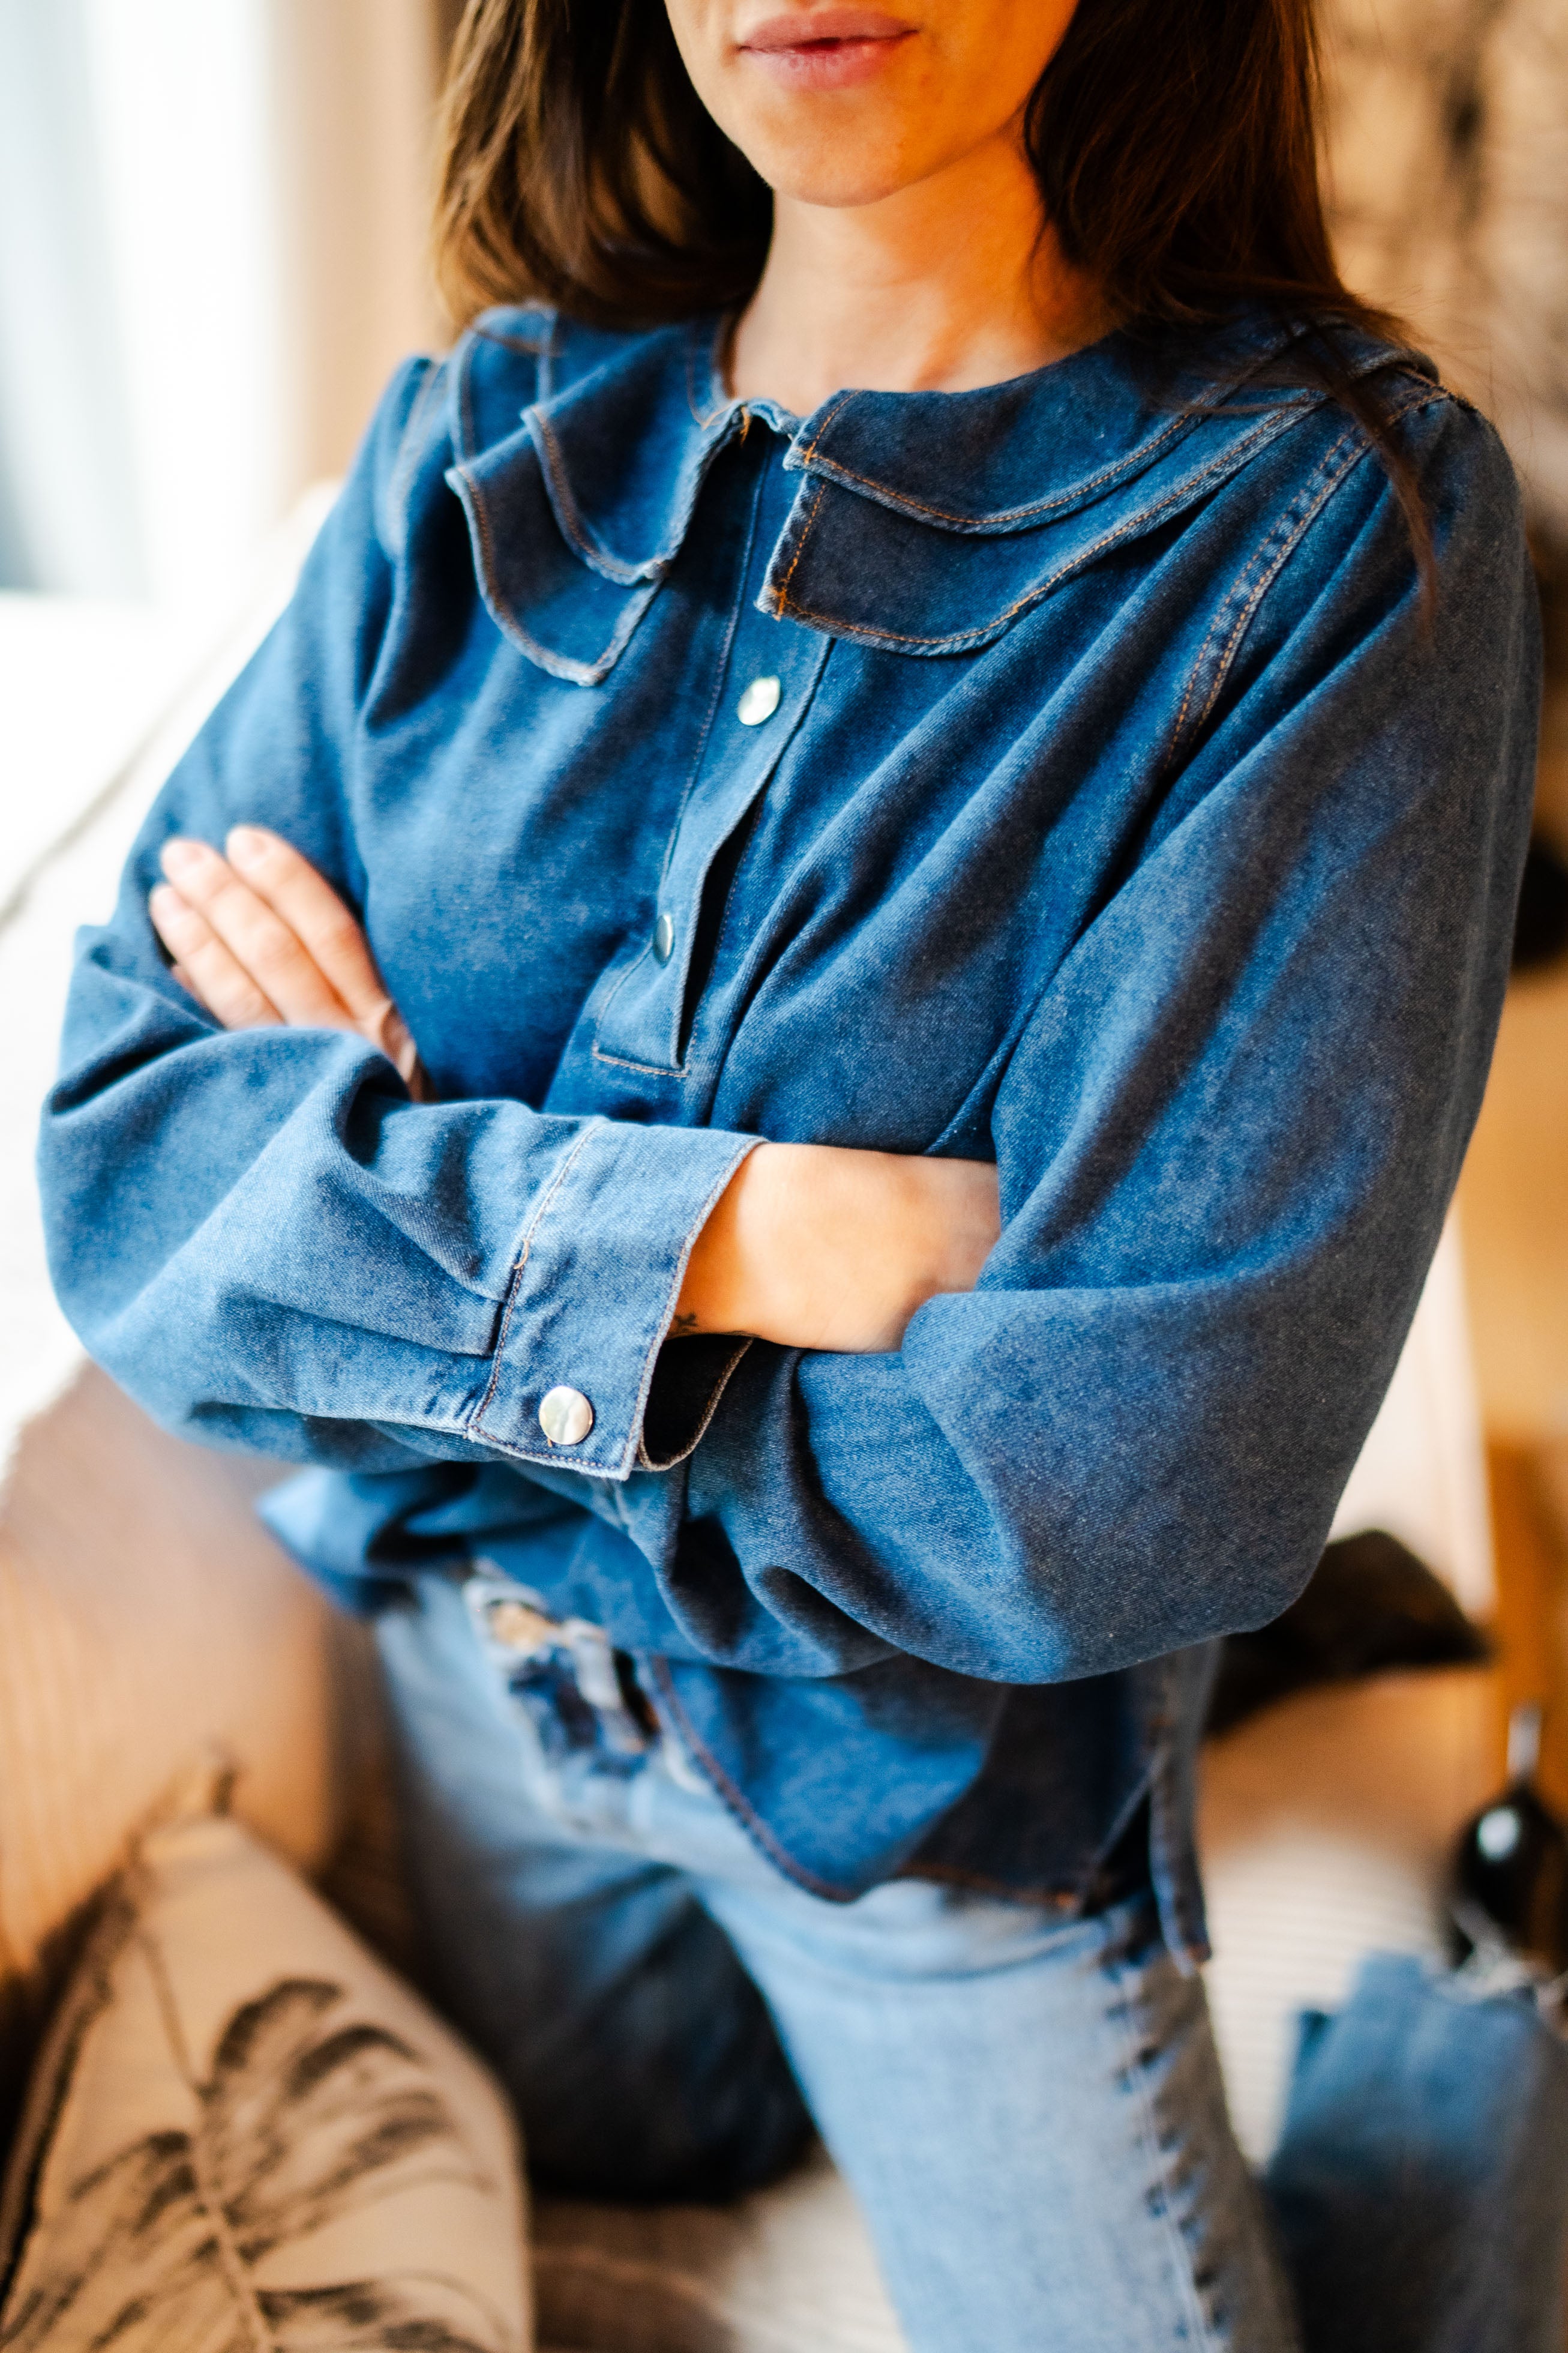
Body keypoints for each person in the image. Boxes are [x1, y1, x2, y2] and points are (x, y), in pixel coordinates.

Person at [39, 0, 1540, 2345]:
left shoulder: (1330, 522)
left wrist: (407, 1214)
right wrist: (761, 1231)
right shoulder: (478, 434)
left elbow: (1134, 1473)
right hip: (484, 1741)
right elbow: (131, 1175)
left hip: (929, 1802)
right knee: (649, 2139)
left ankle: (1492, 2021)